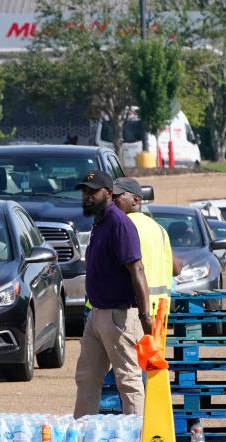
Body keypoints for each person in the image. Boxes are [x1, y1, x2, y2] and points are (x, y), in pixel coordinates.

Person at [73, 171, 152, 419]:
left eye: (92, 191)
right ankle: (82, 438)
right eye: (85, 191)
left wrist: (145, 313)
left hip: (119, 316)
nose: (87, 196)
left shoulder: (119, 223)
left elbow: (136, 268)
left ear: (108, 193)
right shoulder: (100, 222)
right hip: (97, 315)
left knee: (127, 379)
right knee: (86, 377)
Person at [112, 177, 179, 325]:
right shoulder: (159, 229)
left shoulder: (122, 227)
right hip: (159, 312)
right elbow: (176, 268)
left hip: (134, 311)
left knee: (132, 349)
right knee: (153, 349)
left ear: (135, 199)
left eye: (117, 196)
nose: (112, 201)